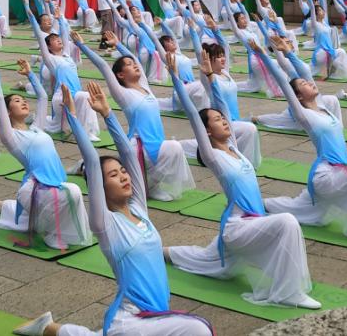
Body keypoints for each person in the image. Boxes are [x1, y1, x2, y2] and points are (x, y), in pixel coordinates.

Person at [13, 74, 214, 336]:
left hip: (155, 315)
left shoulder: (139, 208)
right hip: (130, 320)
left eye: (123, 172)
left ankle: (50, 329)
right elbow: (93, 163)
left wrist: (109, 114)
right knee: (197, 328)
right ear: (100, 186)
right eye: (113, 175)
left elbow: (129, 154)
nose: (123, 176)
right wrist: (74, 118)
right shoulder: (105, 224)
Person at [164, 53, 320, 309]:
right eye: (216, 121)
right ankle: (287, 293)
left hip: (253, 222)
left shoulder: (233, 148)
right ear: (205, 132)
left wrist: (211, 78)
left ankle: (163, 252)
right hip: (238, 226)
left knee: (205, 259)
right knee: (287, 222)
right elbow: (194, 115)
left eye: (223, 119)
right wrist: (176, 78)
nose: (224, 121)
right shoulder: (212, 155)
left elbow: (222, 105)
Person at [254, 44, 347, 241]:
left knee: (300, 207)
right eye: (304, 84)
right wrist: (264, 54)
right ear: (298, 96)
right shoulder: (303, 115)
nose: (310, 83)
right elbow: (284, 82)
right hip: (326, 172)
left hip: (342, 167)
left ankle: (264, 204)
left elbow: (302, 73)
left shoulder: (324, 109)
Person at [0, 62, 91, 251]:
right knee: (72, 192)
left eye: (23, 100)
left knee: (28, 217)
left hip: (52, 183)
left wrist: (30, 75)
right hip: (34, 187)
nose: (24, 102)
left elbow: (42, 96)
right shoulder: (10, 136)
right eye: (17, 101)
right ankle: (51, 233)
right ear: (7, 112)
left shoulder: (37, 128)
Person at [81, 32, 195, 201]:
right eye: (128, 64)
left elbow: (134, 57)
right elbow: (104, 66)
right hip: (139, 144)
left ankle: (150, 185)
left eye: (134, 64)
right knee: (174, 148)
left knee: (173, 151)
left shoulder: (144, 86)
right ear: (120, 75)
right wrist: (81, 46)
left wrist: (118, 44)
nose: (134, 65)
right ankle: (148, 186)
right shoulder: (123, 94)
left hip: (156, 142)